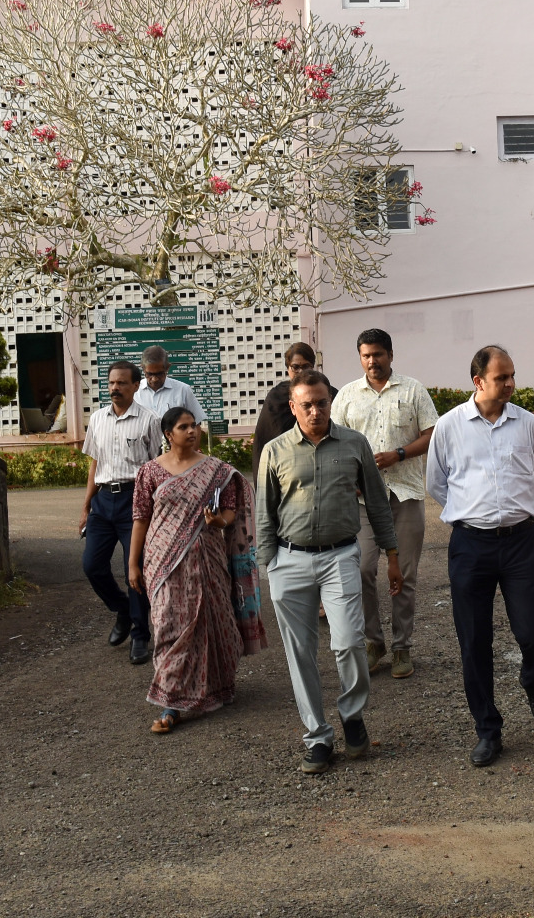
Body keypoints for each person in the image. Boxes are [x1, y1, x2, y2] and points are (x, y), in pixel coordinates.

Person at [257, 369, 402, 774]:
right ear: (293, 407)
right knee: (300, 653)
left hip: (340, 557)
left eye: (322, 403)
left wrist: (392, 555)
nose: (316, 411)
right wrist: (269, 566)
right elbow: (263, 514)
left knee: (350, 642)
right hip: (289, 560)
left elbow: (376, 504)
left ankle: (352, 716)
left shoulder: (354, 444)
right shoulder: (275, 450)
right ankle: (317, 736)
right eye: (307, 405)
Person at [426, 345, 534, 768]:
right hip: (470, 545)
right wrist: (473, 515)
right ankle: (488, 730)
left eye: (513, 375)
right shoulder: (449, 427)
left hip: (520, 542)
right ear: (478, 381)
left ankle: (533, 681)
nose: (511, 384)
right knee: (474, 641)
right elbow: (437, 485)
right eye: (503, 378)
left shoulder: (528, 424)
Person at [128, 406, 265, 734]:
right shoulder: (150, 472)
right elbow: (141, 518)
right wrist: (133, 563)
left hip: (208, 559)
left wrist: (220, 521)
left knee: (212, 621)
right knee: (169, 626)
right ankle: (171, 698)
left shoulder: (217, 471)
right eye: (184, 427)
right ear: (168, 434)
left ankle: (210, 689)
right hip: (164, 562)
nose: (192, 431)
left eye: (195, 426)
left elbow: (231, 511)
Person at [331, 328, 439, 681]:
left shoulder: (412, 390)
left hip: (404, 495)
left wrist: (399, 454)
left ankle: (402, 647)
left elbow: (432, 433)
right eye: (366, 355)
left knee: (404, 575)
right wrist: (351, 479)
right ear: (359, 358)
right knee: (361, 569)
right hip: (361, 501)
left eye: (378, 354)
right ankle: (373, 642)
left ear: (390, 354)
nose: (372, 361)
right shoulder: (347, 396)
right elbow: (333, 444)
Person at [80, 360, 164, 665]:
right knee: (92, 565)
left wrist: (156, 507)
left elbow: (158, 466)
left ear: (135, 386)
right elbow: (94, 464)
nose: (115, 388)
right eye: (112, 383)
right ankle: (123, 610)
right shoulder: (98, 419)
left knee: (136, 570)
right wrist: (86, 504)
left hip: (135, 500)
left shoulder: (150, 420)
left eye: (122, 383)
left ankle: (141, 635)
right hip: (103, 501)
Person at [252, 342, 317, 471]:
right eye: (295, 367)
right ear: (288, 368)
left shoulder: (325, 393)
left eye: (306, 366)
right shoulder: (276, 398)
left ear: (313, 366)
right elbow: (266, 440)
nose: (301, 371)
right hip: (286, 467)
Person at [135, 345, 207, 430]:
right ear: (143, 369)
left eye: (159, 374)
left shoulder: (183, 390)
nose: (154, 379)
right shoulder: (134, 392)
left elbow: (196, 424)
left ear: (168, 368)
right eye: (149, 374)